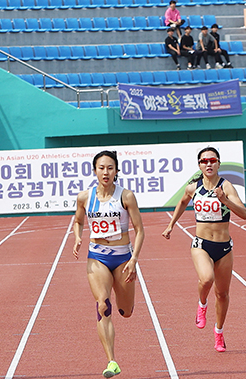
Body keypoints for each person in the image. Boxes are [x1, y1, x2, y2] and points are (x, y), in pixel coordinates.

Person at [162, 147, 246, 353]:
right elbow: (182, 203)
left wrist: (224, 200)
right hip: (201, 244)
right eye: (204, 161)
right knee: (207, 279)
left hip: (224, 247)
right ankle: (202, 305)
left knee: (223, 293)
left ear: (218, 163)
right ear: (199, 165)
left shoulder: (226, 187)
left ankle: (219, 332)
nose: (208, 164)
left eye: (212, 160)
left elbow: (244, 214)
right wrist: (171, 225)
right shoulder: (193, 188)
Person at [72, 151, 144, 378]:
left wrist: (134, 259)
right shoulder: (85, 197)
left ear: (116, 171)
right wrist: (78, 237)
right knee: (103, 305)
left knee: (126, 311)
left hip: (123, 258)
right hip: (97, 256)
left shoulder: (126, 196)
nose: (106, 172)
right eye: (101, 168)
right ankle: (111, 361)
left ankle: (126, 306)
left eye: (110, 168)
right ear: (94, 170)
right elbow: (78, 220)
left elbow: (140, 230)